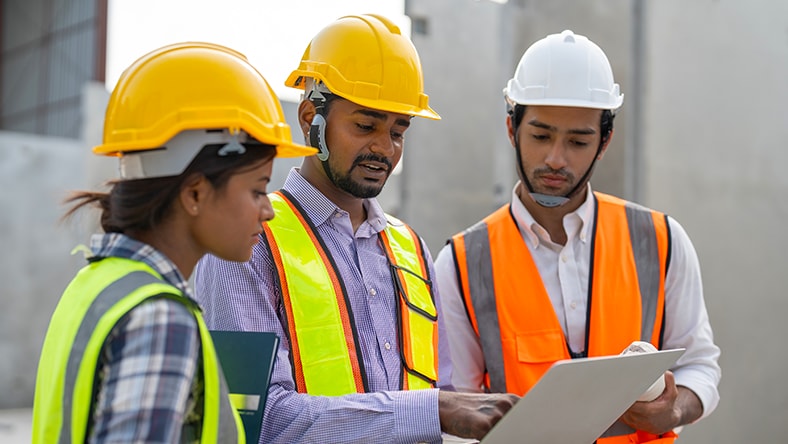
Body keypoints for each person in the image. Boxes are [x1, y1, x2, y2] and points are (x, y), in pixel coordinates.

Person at [194, 14, 517, 444]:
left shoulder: (411, 249)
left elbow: (442, 399)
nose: (384, 148)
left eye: (398, 131)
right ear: (311, 117)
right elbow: (259, 420)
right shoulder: (247, 242)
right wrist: (430, 409)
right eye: (365, 126)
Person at [435, 29, 721, 443]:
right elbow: (457, 411)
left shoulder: (661, 241)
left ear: (604, 141)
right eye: (540, 135)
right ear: (511, 129)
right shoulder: (462, 263)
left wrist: (674, 408)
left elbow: (700, 364)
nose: (555, 158)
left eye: (578, 141)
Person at [31, 42, 316, 443]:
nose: (268, 210)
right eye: (257, 189)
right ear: (195, 193)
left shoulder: (94, 286)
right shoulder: (160, 316)